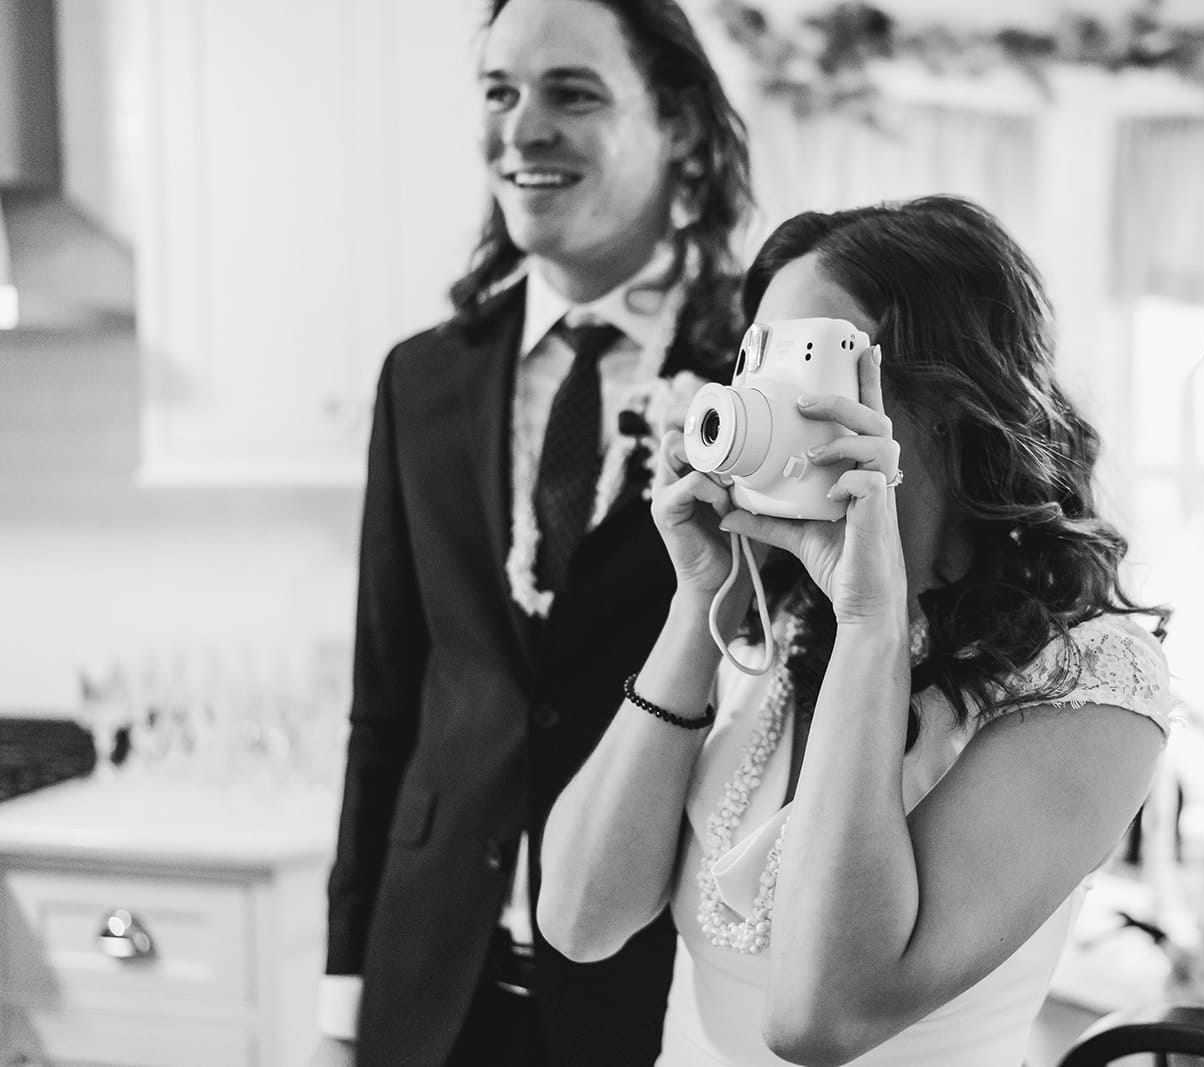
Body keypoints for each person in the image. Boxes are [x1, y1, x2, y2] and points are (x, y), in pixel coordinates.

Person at [537, 195, 1174, 1066]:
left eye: (806, 362)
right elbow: (576, 919)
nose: (759, 396)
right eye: (755, 359)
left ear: (947, 396)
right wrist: (699, 601)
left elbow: (820, 1019)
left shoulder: (1093, 683)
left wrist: (873, 619)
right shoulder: (768, 615)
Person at [311, 0, 751, 1064]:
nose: (521, 130)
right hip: (431, 987)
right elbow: (387, 703)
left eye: (573, 93)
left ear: (680, 126)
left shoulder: (758, 365)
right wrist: (342, 1002)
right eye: (500, 92)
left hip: (654, 989)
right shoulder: (422, 379)